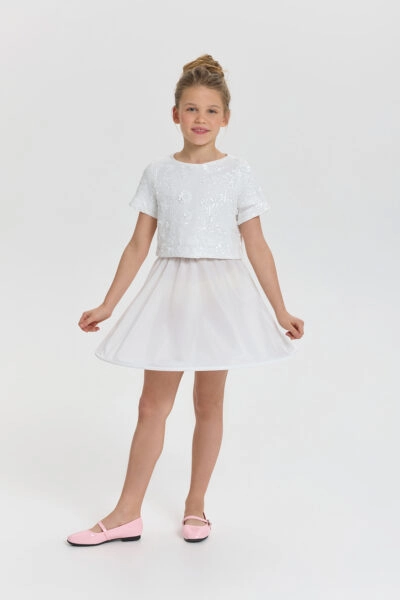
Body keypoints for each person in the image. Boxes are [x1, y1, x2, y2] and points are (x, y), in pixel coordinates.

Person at [66, 54, 304, 547]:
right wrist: (109, 303)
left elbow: (257, 245)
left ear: (226, 118)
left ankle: (196, 506)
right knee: (152, 404)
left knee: (208, 402)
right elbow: (139, 244)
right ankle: (127, 512)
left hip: (221, 297)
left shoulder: (238, 172)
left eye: (211, 111)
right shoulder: (159, 172)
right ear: (175, 114)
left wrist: (280, 309)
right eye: (191, 109)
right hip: (170, 295)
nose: (201, 118)